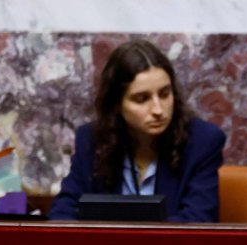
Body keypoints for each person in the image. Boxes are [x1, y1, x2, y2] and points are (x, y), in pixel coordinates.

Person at [49, 40, 225, 222]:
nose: (158, 110)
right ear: (117, 104)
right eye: (142, 99)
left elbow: (198, 221)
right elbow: (63, 212)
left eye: (165, 94)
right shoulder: (91, 140)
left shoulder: (202, 142)